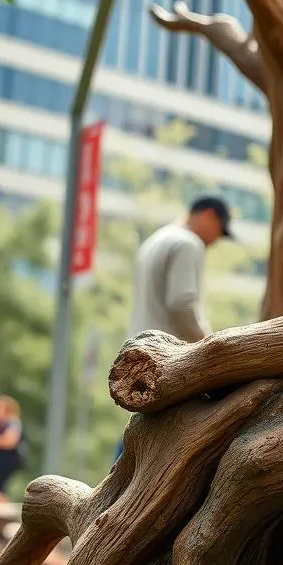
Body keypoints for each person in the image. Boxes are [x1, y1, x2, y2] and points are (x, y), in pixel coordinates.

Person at [115, 196, 234, 461]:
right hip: (169, 358)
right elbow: (181, 304)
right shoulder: (188, 243)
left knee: (139, 435)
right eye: (220, 230)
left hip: (139, 352)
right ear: (209, 216)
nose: (216, 240)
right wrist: (208, 344)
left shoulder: (157, 240)